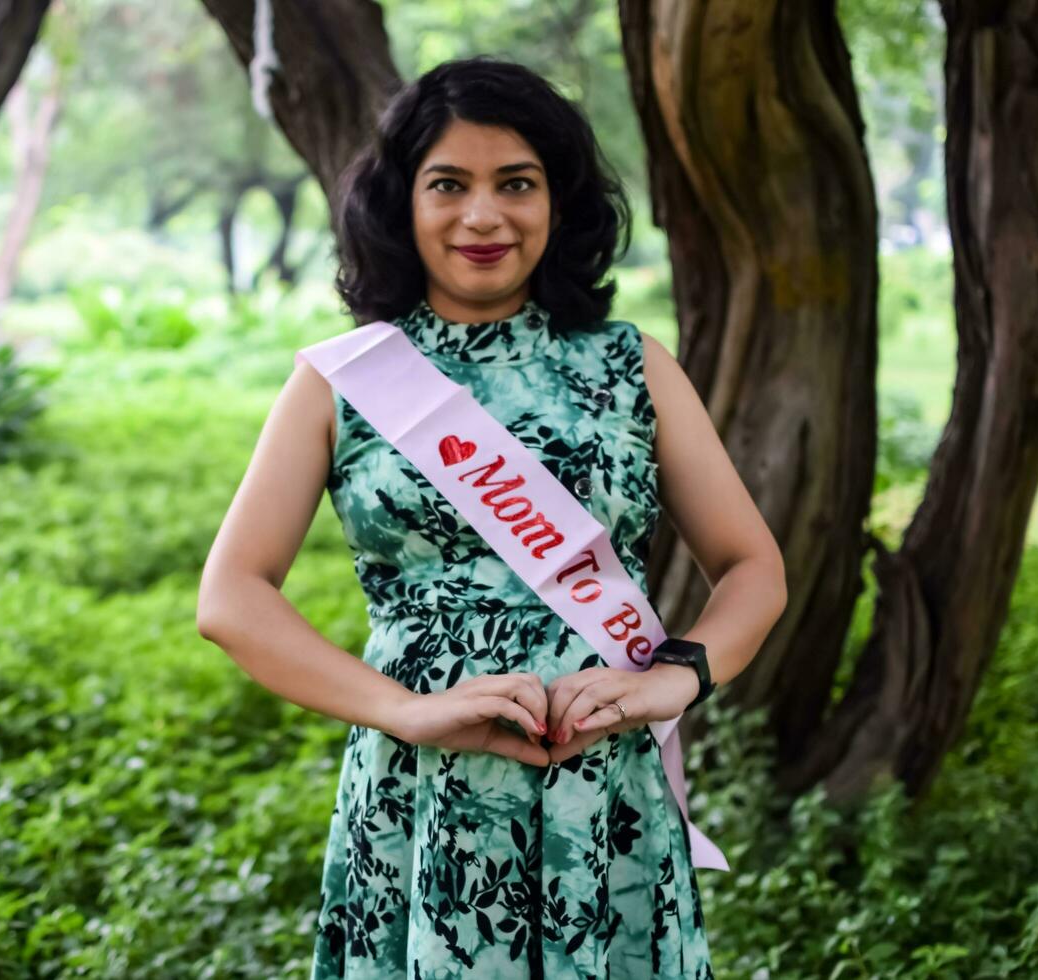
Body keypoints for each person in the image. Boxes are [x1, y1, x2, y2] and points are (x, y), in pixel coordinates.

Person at [196, 55, 787, 979]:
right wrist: (405, 711)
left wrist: (678, 678)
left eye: (516, 183)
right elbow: (230, 598)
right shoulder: (342, 379)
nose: (482, 216)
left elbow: (750, 564)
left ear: (559, 202)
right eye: (447, 185)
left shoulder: (630, 364)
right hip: (422, 787)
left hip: (604, 785)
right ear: (402, 203)